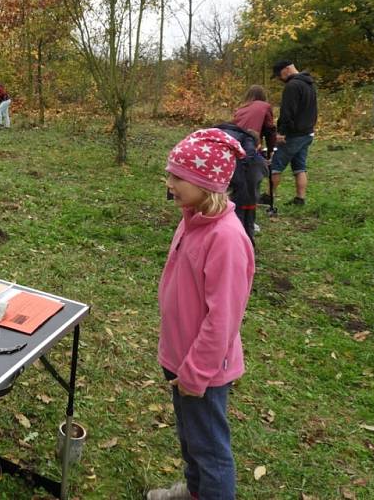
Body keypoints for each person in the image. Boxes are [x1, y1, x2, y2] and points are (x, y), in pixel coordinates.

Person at [148, 128, 255, 500]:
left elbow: (222, 319)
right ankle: (195, 491)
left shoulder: (226, 239)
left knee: (210, 449)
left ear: (206, 182)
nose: (169, 183)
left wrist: (196, 372)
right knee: (190, 436)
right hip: (180, 358)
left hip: (203, 370)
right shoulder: (190, 217)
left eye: (177, 176)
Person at [268, 60, 318, 207]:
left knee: (276, 166)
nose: (279, 78)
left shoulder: (292, 86)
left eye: (279, 75)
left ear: (287, 70)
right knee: (299, 167)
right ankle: (300, 199)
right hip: (307, 133)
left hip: (293, 135)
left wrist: (281, 132)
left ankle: (268, 197)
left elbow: (287, 112)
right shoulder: (309, 84)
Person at [232, 85, 276, 158]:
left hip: (236, 142)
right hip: (251, 142)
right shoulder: (265, 106)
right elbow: (270, 130)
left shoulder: (240, 109)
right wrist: (270, 151)